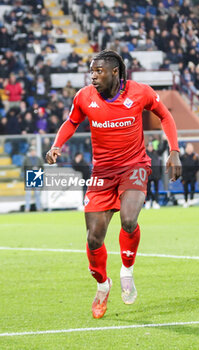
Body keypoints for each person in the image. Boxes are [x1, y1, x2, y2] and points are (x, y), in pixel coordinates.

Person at [46, 50, 181, 319]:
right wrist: (56, 145)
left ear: (115, 71)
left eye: (99, 71)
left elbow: (165, 116)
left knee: (129, 220)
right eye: (91, 72)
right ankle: (102, 286)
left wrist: (174, 150)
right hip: (102, 172)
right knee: (94, 237)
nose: (93, 76)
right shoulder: (84, 96)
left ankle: (127, 271)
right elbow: (72, 121)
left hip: (134, 166)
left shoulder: (140, 92)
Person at [145, 140, 168, 209]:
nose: (150, 148)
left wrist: (165, 141)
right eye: (149, 146)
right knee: (148, 189)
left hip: (156, 174)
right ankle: (148, 201)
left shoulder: (156, 153)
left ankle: (156, 202)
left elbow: (163, 148)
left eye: (151, 146)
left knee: (156, 189)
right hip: (148, 174)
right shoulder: (144, 153)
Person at [22, 146, 43, 212]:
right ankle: (27, 208)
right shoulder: (26, 159)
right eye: (32, 151)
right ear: (30, 152)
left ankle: (39, 208)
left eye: (34, 151)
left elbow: (42, 168)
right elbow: (23, 169)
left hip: (37, 176)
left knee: (37, 193)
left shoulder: (39, 159)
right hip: (29, 176)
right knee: (28, 194)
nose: (33, 152)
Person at [181, 143, 199, 208]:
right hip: (185, 175)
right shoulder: (183, 156)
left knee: (192, 188)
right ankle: (186, 201)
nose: (189, 149)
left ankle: (191, 200)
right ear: (186, 149)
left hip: (192, 175)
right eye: (188, 148)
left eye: (191, 148)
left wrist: (194, 171)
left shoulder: (195, 156)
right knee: (185, 189)